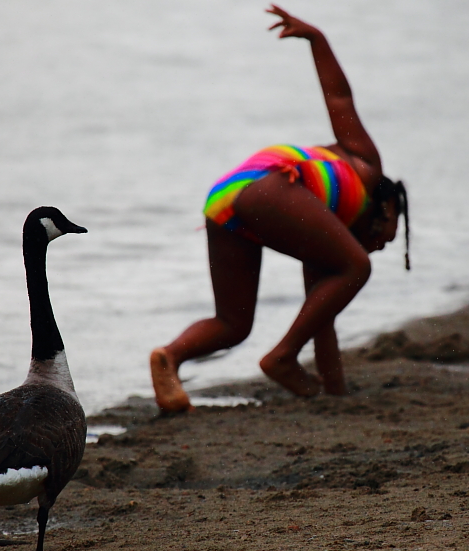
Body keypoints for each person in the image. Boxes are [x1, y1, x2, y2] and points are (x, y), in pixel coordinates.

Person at [150, 4, 410, 412]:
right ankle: (282, 355)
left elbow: (321, 319)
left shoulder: (323, 228)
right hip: (268, 186)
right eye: (387, 236)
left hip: (225, 197)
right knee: (358, 266)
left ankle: (170, 357)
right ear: (388, 209)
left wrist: (335, 394)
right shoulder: (365, 164)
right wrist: (317, 40)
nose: (380, 244)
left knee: (233, 324)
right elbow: (339, 97)